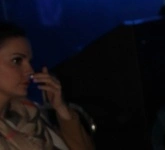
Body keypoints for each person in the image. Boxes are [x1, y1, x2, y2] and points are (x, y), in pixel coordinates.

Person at [0, 21, 95, 150]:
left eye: (29, 61)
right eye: (17, 60)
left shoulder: (30, 115)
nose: (30, 70)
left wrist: (60, 108)